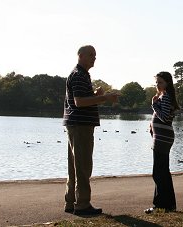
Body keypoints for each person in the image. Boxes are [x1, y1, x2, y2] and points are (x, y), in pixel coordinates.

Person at [63, 45, 119, 215]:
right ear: (80, 55)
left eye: (95, 55)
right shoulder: (79, 75)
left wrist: (95, 93)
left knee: (75, 166)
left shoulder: (80, 74)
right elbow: (79, 102)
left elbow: (79, 99)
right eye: (91, 55)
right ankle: (82, 205)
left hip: (76, 124)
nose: (94, 58)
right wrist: (104, 98)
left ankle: (71, 202)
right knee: (83, 166)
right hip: (80, 126)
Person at [145, 71, 180, 214]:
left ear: (167, 83)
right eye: (156, 82)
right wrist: (152, 125)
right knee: (162, 171)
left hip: (163, 138)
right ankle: (168, 204)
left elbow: (165, 117)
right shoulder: (164, 96)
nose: (157, 85)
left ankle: (160, 204)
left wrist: (154, 105)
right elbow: (161, 116)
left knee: (159, 173)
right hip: (161, 137)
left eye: (160, 82)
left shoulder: (165, 96)